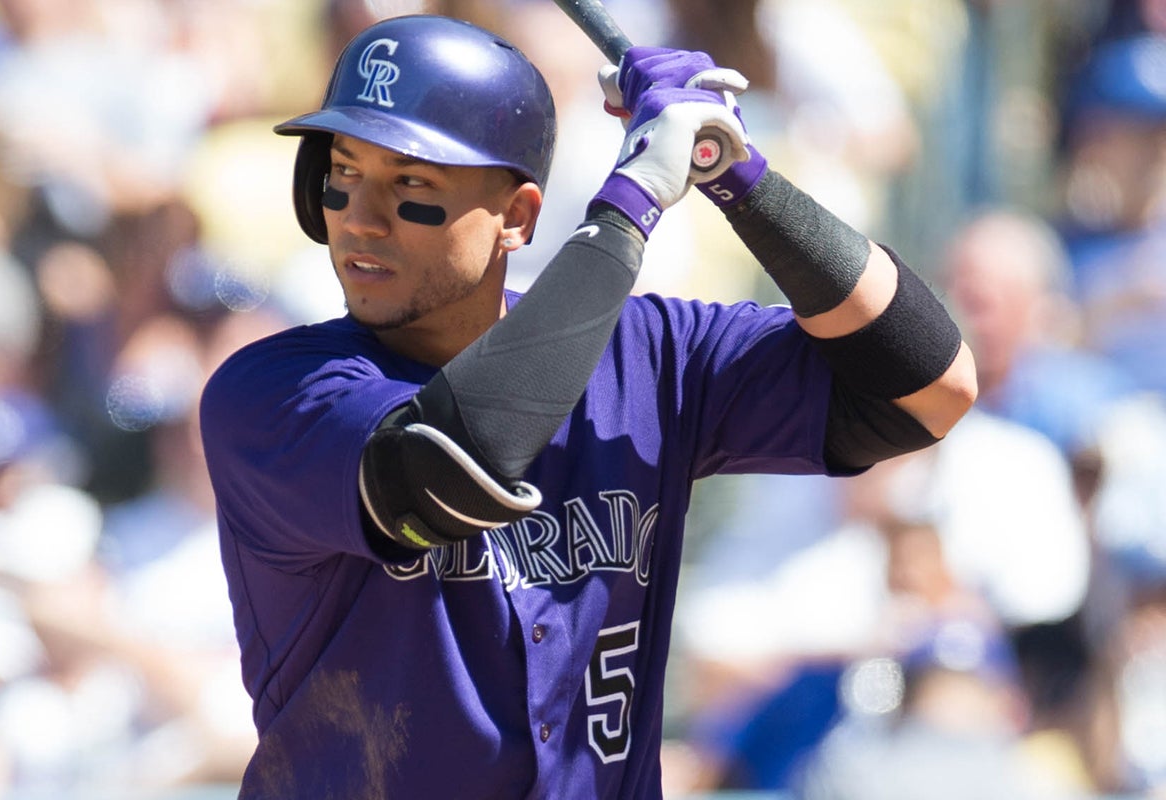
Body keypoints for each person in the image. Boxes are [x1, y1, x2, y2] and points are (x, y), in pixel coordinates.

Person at [198, 13, 976, 799]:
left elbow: (928, 383)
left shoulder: (651, 351)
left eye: (411, 185)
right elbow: (449, 467)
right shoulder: (274, 391)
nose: (359, 217)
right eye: (343, 172)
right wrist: (630, 204)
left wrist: (738, 174)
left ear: (519, 217)